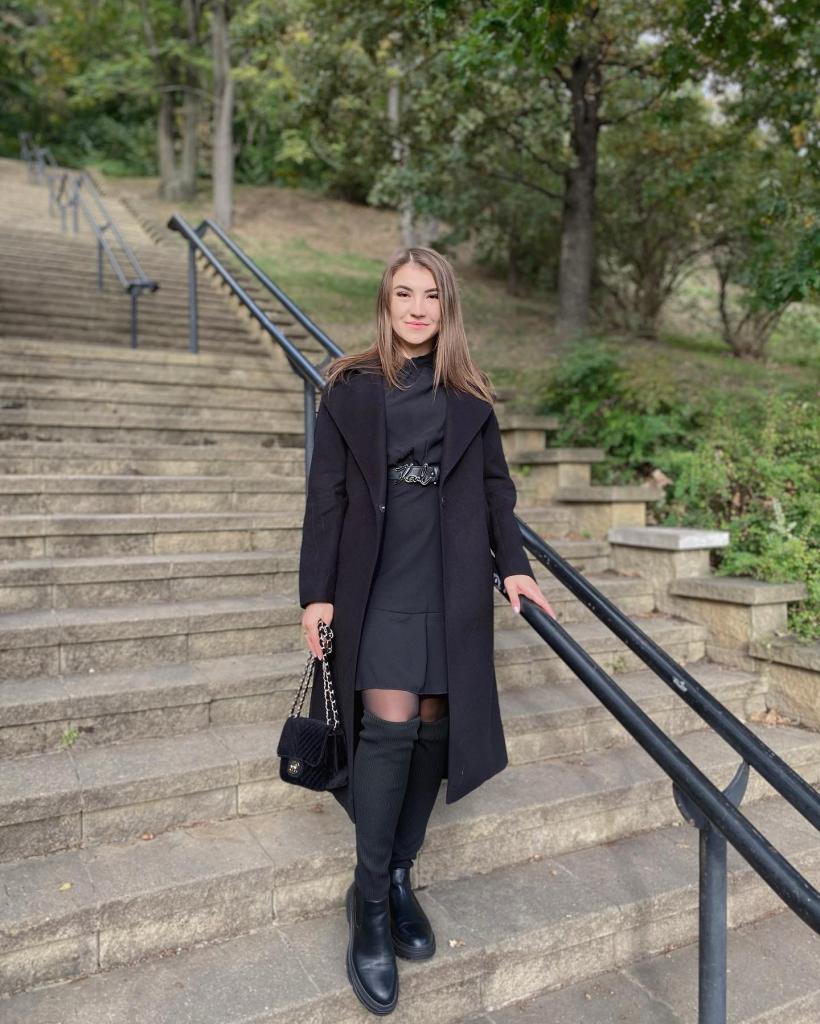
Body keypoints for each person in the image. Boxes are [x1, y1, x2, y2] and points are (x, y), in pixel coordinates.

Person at [298, 246, 555, 1015]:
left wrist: (514, 567)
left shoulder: (469, 395)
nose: (417, 308)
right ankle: (371, 903)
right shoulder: (350, 387)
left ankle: (401, 870)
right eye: (404, 293)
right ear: (386, 302)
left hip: (449, 580)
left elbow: (496, 492)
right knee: (389, 727)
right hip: (377, 578)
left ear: (447, 307)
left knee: (436, 730)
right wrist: (316, 595)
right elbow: (325, 495)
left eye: (431, 295)